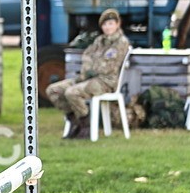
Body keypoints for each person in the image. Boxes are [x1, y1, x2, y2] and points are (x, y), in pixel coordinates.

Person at [46, 8, 131, 139]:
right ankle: (74, 120)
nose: (107, 27)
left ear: (117, 24)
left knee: (72, 92)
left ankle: (85, 124)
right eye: (105, 24)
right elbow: (87, 55)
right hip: (87, 78)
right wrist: (89, 68)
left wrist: (91, 67)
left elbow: (108, 67)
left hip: (105, 82)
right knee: (53, 90)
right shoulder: (99, 41)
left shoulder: (121, 42)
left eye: (111, 24)